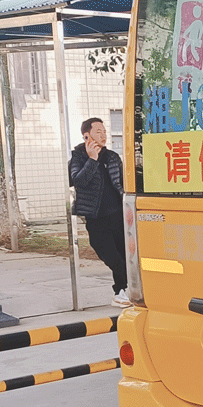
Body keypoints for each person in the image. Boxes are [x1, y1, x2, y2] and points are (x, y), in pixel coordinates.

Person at [69, 117, 130, 306]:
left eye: (104, 132)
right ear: (86, 135)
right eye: (98, 132)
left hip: (117, 213)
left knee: (123, 253)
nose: (103, 136)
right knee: (108, 254)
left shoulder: (112, 156)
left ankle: (122, 291)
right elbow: (78, 181)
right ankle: (132, 285)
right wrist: (92, 160)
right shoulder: (78, 156)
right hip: (96, 217)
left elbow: (121, 182)